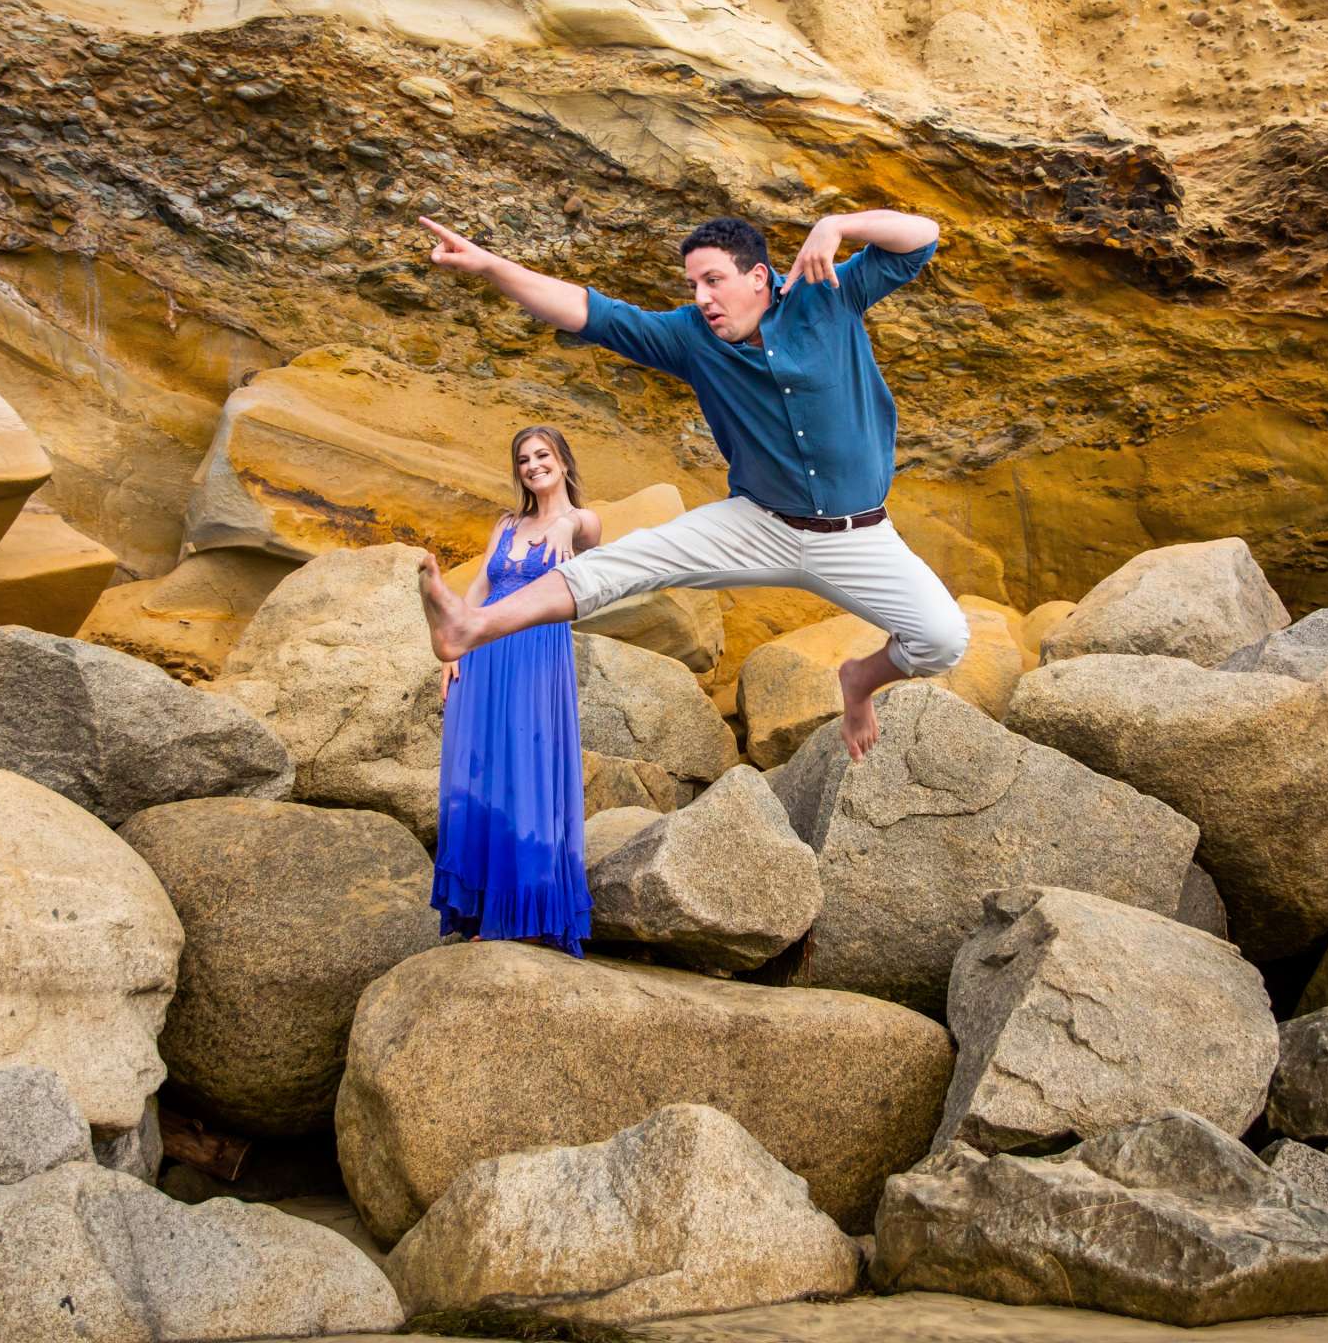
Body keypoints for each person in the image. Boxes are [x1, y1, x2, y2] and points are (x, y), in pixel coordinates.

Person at [415, 207, 968, 761]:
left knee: (943, 640)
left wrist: (838, 224)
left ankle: (859, 681)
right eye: (693, 285)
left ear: (758, 277)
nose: (702, 297)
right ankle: (472, 626)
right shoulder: (690, 337)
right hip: (758, 523)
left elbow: (924, 237)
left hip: (858, 534)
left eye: (713, 281)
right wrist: (489, 266)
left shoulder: (827, 294)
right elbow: (588, 312)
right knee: (626, 562)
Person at [430, 424, 601, 954]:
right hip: (487, 658)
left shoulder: (583, 521)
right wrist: (454, 649)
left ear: (564, 462)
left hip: (537, 659)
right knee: (484, 773)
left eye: (543, 455)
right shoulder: (507, 523)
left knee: (529, 773)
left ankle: (526, 912)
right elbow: (479, 589)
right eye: (524, 459)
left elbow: (586, 529)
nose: (533, 465)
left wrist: (565, 523)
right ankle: (486, 908)